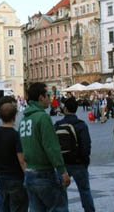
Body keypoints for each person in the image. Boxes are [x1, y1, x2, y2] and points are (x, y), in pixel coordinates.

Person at [20, 82, 70, 211]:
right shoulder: (43, 117)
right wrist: (62, 170)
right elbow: (51, 146)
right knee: (59, 208)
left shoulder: (24, 120)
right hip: (44, 173)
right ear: (41, 97)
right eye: (47, 95)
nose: (49, 98)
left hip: (29, 173)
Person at [0, 98, 27, 212]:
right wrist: (27, 175)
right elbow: (21, 160)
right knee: (18, 207)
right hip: (15, 177)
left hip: (1, 177)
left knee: (4, 207)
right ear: (14, 116)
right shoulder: (15, 135)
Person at [55, 97, 95, 212]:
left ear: (65, 109)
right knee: (85, 191)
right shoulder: (81, 124)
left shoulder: (58, 124)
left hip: (63, 164)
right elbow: (86, 145)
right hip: (78, 163)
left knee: (61, 192)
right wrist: (84, 161)